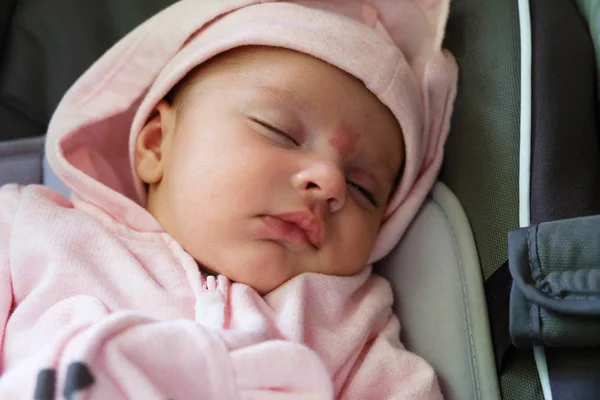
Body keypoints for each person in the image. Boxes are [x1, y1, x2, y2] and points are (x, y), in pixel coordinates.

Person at [0, 0, 457, 398]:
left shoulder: (352, 329)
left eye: (364, 189)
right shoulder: (32, 231)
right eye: (280, 132)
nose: (330, 182)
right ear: (157, 146)